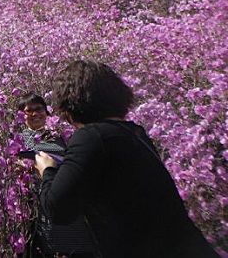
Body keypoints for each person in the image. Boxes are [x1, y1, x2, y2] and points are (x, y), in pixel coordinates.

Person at [36, 60, 218, 258]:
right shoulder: (135, 134)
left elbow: (58, 209)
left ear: (69, 104)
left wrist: (48, 170)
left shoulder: (92, 137)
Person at [16, 93, 96, 257]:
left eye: (38, 109)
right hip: (36, 200)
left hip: (64, 191)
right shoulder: (18, 139)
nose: (34, 114)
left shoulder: (60, 135)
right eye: (28, 111)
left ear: (47, 112)